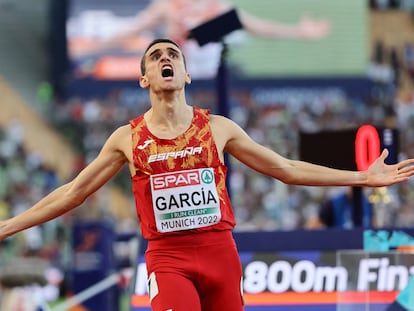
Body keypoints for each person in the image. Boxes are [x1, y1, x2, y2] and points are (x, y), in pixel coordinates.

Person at [2, 38, 414, 311]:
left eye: (173, 55)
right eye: (156, 56)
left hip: (220, 254)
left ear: (186, 74)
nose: (166, 58)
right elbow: (73, 193)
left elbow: (286, 169)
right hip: (168, 258)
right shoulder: (126, 138)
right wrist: (9, 225)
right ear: (144, 78)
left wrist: (361, 178)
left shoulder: (218, 128)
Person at [69, 0, 331, 78]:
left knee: (222, 26)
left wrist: (299, 33)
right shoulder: (168, 7)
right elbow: (132, 32)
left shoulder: (218, 7)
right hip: (180, 77)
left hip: (209, 76)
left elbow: (260, 27)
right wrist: (89, 50)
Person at [306, 187, 374, 229]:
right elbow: (312, 224)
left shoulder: (369, 204)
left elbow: (374, 226)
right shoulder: (333, 204)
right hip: (339, 246)